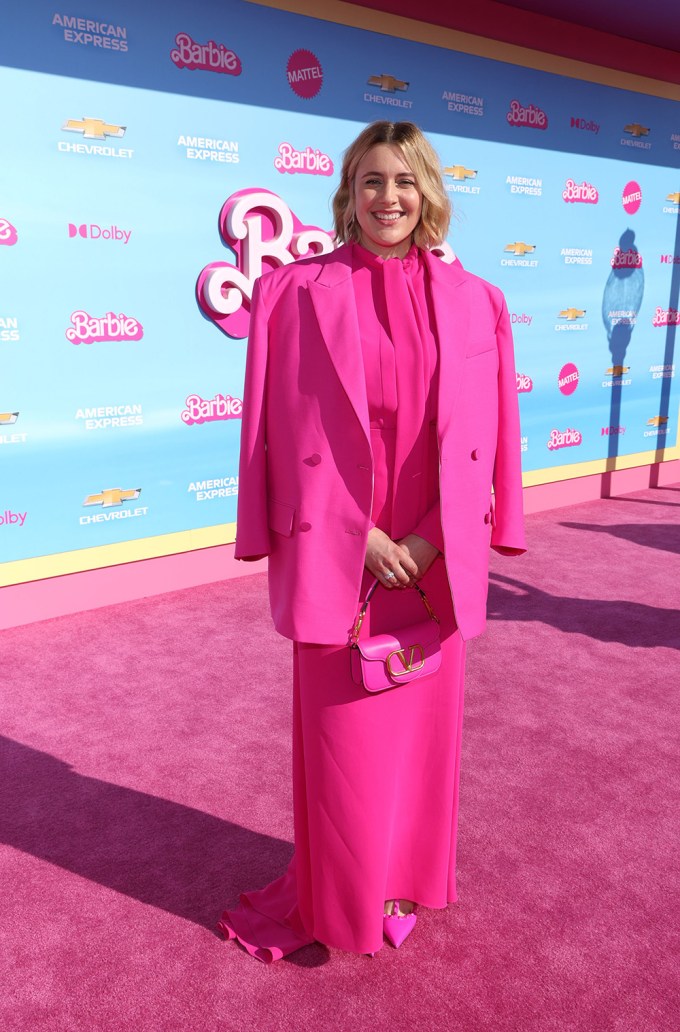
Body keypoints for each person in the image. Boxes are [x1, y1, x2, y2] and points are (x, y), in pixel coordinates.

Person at [218, 121, 526, 962]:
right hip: (337, 554)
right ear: (347, 195)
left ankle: (402, 883)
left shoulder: (479, 302)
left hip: (432, 563)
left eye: (404, 181)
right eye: (371, 182)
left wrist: (429, 541)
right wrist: (360, 540)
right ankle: (340, 898)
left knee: (422, 750)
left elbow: (491, 436)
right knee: (345, 748)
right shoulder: (293, 292)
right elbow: (271, 432)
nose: (388, 198)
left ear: (428, 192)